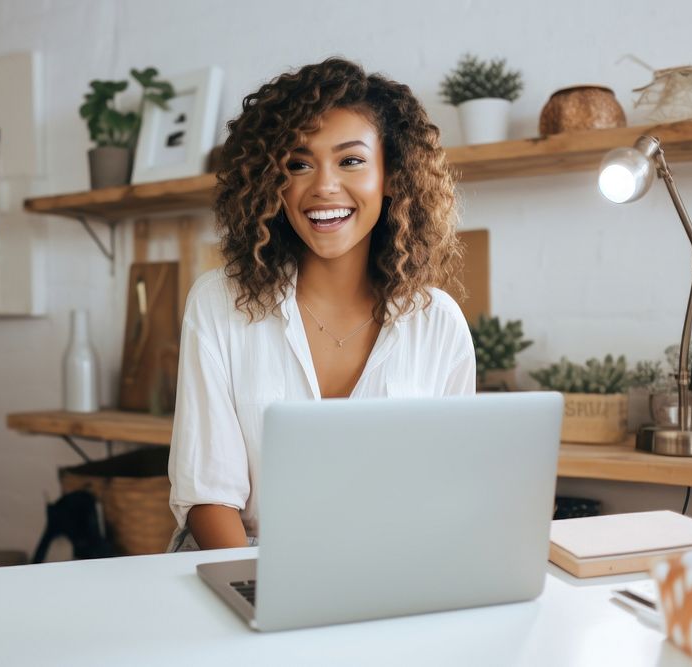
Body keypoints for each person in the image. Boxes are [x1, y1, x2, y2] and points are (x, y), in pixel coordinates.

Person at [167, 57, 476, 552]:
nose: (324, 186)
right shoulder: (220, 302)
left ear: (391, 176)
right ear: (275, 182)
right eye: (298, 163)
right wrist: (265, 596)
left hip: (385, 573)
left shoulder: (437, 323)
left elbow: (447, 494)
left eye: (350, 161)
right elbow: (208, 497)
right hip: (244, 568)